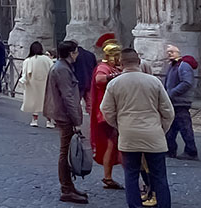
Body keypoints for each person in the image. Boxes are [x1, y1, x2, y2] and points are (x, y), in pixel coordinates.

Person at [100, 48, 175, 208]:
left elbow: (106, 110)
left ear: (121, 63)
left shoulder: (114, 83)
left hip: (128, 134)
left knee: (131, 175)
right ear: (139, 62)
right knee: (160, 176)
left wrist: (119, 125)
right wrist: (162, 129)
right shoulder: (154, 81)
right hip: (153, 134)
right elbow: (168, 111)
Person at [45, 40, 88, 204]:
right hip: (65, 116)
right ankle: (66, 188)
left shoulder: (62, 67)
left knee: (68, 151)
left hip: (64, 114)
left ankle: (69, 186)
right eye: (76, 51)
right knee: (65, 153)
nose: (77, 54)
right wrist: (76, 120)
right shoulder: (62, 69)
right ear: (71, 53)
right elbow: (68, 96)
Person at [92, 36, 124, 191]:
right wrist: (117, 76)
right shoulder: (103, 67)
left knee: (115, 146)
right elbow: (100, 79)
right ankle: (109, 176)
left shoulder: (115, 67)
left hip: (115, 111)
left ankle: (109, 176)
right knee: (115, 145)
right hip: (107, 113)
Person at [162, 45, 198, 161]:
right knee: (171, 127)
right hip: (174, 101)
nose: (170, 54)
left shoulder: (183, 66)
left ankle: (191, 151)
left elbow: (187, 82)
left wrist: (172, 92)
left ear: (179, 52)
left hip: (180, 102)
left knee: (184, 127)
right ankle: (170, 150)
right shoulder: (174, 66)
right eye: (168, 52)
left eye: (172, 52)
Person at [19, 41, 54, 128]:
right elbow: (53, 69)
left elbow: (25, 73)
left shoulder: (28, 60)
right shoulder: (47, 59)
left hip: (32, 84)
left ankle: (34, 120)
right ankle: (49, 121)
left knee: (34, 102)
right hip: (46, 83)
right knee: (47, 102)